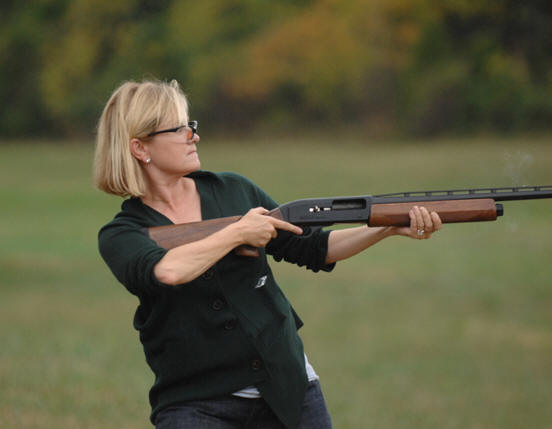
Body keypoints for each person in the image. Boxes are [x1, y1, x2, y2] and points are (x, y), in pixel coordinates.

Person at [94, 79, 442, 429]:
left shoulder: (235, 190)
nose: (194, 136)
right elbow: (168, 271)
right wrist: (238, 233)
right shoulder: (122, 234)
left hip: (288, 390)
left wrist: (386, 227)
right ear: (140, 148)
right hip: (194, 405)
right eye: (179, 128)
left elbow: (314, 249)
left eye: (192, 125)